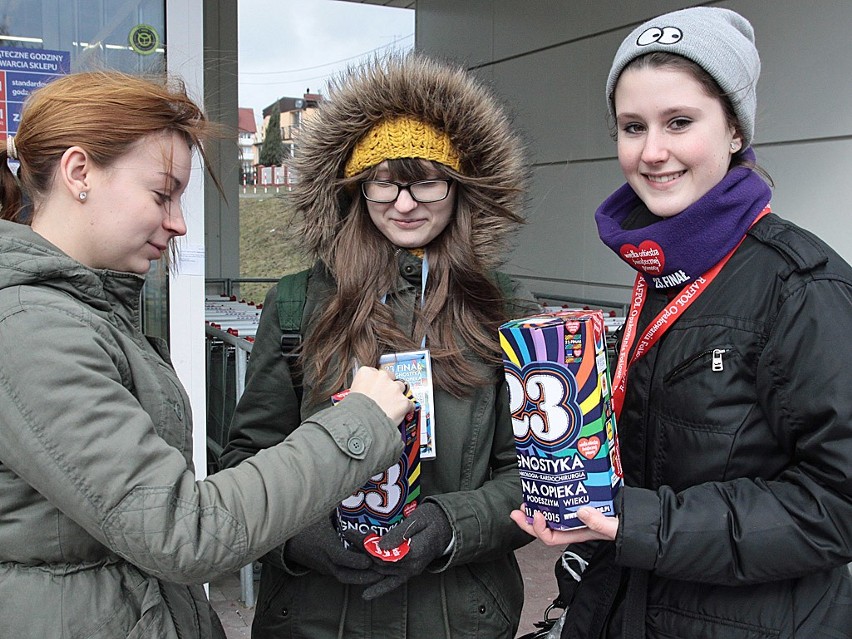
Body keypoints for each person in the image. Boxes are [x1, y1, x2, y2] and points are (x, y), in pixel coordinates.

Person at [0, 70, 413, 639]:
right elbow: (184, 531)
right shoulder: (33, 331)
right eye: (161, 193)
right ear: (79, 173)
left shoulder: (89, 314)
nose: (179, 222)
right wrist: (358, 424)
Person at [511, 7, 852, 638]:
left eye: (679, 122)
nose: (652, 152)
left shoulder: (803, 286)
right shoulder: (662, 269)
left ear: (733, 133)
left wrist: (639, 521)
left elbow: (838, 505)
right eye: (632, 127)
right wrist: (579, 497)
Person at [220, 52, 537, 638]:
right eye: (384, 182)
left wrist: (452, 524)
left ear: (461, 187)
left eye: (427, 180)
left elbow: (535, 473)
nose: (405, 203)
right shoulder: (295, 304)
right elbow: (248, 459)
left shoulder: (503, 309)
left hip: (456, 616)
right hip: (315, 615)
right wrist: (296, 536)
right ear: (356, 190)